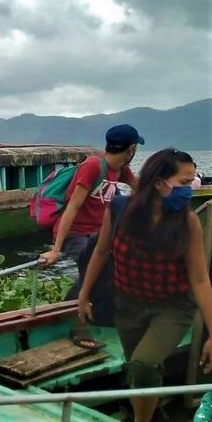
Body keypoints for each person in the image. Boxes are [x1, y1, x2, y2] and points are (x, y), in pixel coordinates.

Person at [78, 149, 212, 422]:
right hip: (128, 304)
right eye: (184, 183)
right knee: (138, 373)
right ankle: (156, 416)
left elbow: (199, 279)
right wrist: (84, 293)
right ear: (160, 183)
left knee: (143, 364)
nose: (189, 190)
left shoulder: (187, 223)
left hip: (173, 307)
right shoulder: (118, 210)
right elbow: (102, 253)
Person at [40, 124, 141, 348]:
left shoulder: (121, 170)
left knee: (114, 265)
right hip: (74, 232)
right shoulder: (93, 166)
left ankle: (102, 312)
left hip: (97, 233)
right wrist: (56, 249)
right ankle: (74, 321)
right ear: (131, 149)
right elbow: (73, 207)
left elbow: (140, 188)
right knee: (92, 267)